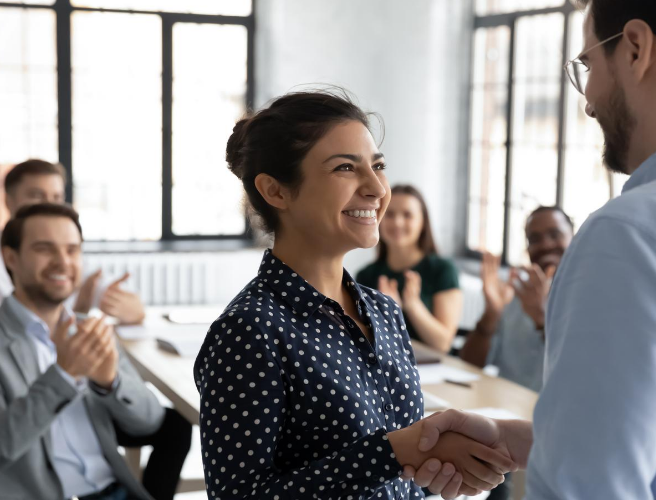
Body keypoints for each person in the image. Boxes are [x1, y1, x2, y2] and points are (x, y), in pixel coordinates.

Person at [403, 0, 656, 499]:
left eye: (588, 66)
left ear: (636, 49)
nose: (588, 102)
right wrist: (539, 443)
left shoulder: (633, 234)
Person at [193, 90, 513, 499]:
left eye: (378, 166)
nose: (378, 188)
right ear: (276, 192)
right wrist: (392, 453)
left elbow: (396, 473)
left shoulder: (383, 310)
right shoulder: (250, 331)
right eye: (346, 168)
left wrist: (434, 467)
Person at [0, 160, 190, 500]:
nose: (63, 262)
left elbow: (149, 424)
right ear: (11, 258)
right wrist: (63, 374)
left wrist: (110, 384)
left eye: (72, 250)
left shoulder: (86, 331)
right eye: (44, 249)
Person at [0, 159, 145, 332]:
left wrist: (129, 306)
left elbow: (111, 291)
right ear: (11, 259)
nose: (50, 206)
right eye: (37, 196)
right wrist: (77, 316)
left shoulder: (67, 260)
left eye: (57, 197)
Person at [460, 206, 573, 392]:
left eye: (555, 235)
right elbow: (469, 363)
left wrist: (541, 319)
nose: (545, 245)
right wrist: (491, 314)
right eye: (534, 239)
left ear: (574, 238)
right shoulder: (514, 292)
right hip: (506, 408)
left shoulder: (589, 296)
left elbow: (580, 371)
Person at [356, 185, 462, 353]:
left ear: (423, 222)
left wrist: (412, 305)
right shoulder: (366, 275)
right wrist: (390, 312)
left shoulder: (442, 270)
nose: (397, 222)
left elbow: (443, 344)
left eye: (407, 215)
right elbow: (364, 340)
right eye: (389, 214)